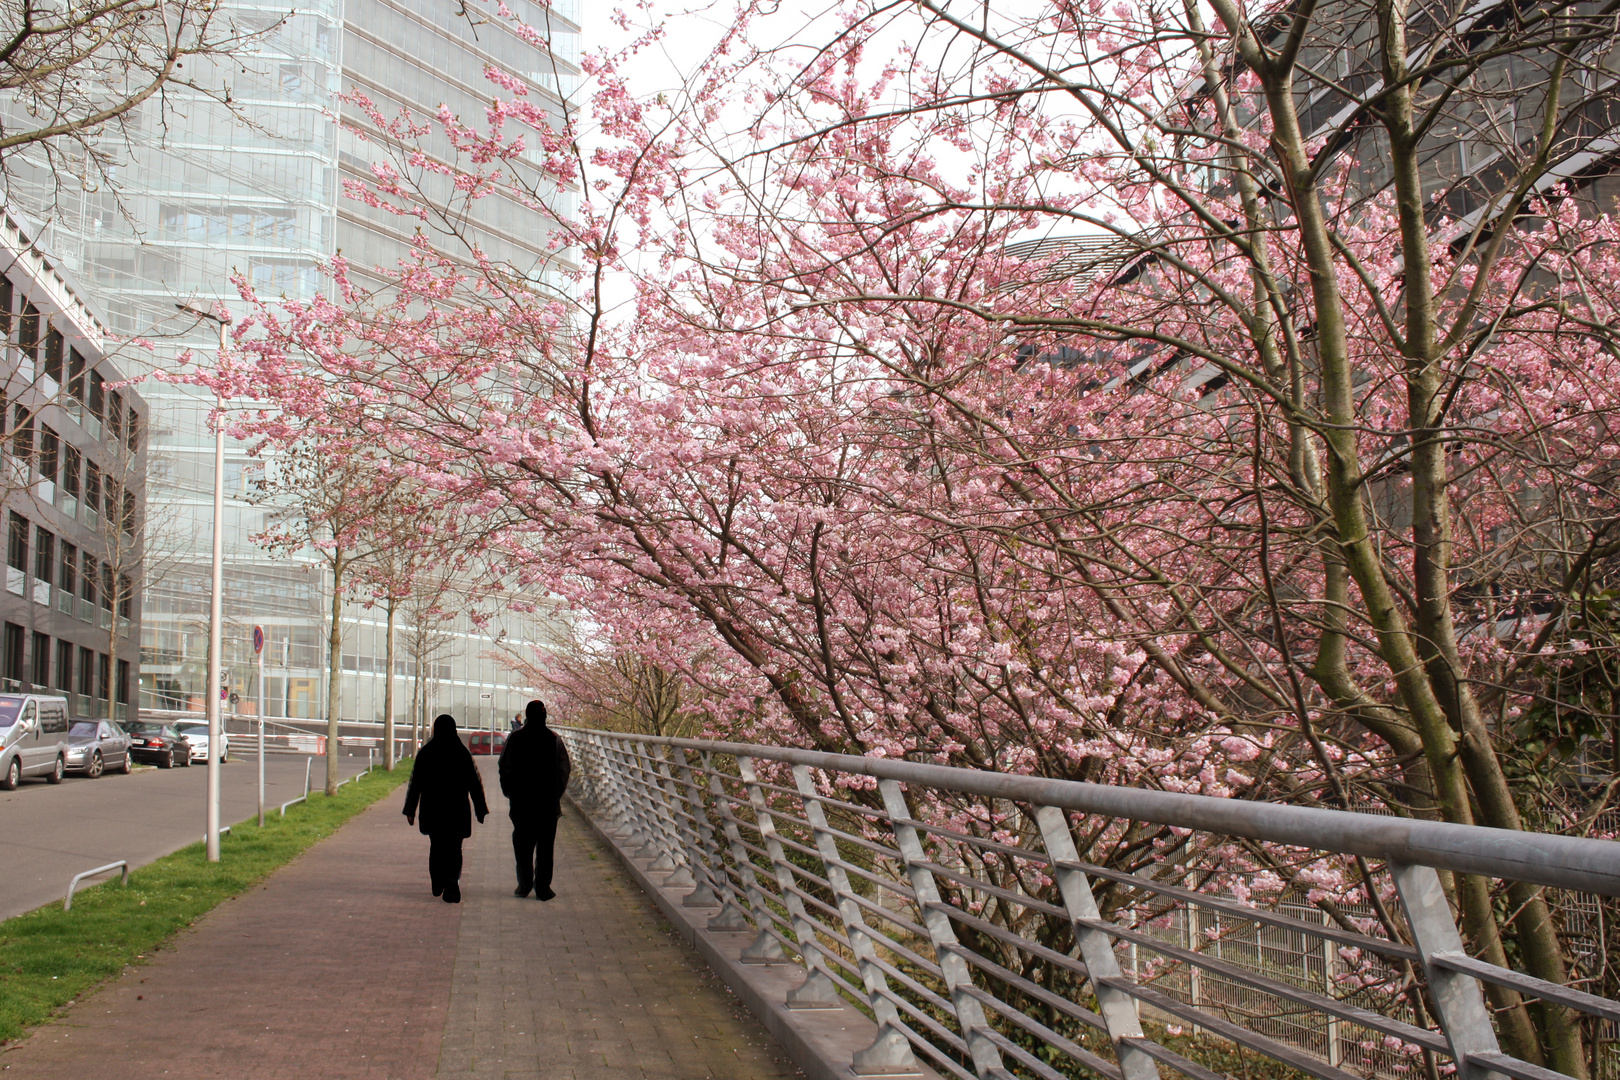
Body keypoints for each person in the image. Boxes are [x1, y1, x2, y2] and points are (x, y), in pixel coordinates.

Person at [403, 714, 489, 903]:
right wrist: (480, 809)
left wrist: (410, 810)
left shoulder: (426, 753)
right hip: (457, 810)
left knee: (437, 846)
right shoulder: (462, 753)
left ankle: (437, 880)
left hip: (433, 810)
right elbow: (474, 783)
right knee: (455, 848)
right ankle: (451, 882)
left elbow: (415, 783)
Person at [498, 699, 571, 900]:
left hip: (522, 802)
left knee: (522, 843)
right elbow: (564, 769)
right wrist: (556, 794)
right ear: (544, 715)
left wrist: (509, 792)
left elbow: (505, 766)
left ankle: (524, 884)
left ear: (527, 715)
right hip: (547, 803)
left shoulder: (516, 738)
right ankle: (543, 888)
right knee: (546, 847)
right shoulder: (553, 739)